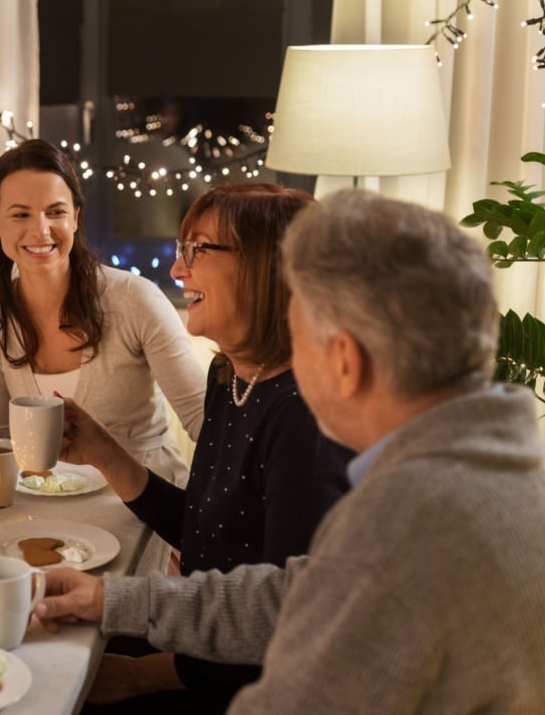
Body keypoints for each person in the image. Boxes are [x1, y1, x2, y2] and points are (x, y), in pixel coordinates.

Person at [35, 189, 545, 713]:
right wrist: (112, 600)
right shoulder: (487, 467)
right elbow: (295, 593)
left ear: (345, 360)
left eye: (301, 338)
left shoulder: (403, 526)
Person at [58, 183, 353, 711]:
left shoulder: (305, 416)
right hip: (197, 642)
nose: (177, 271)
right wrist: (102, 451)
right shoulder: (231, 374)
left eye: (198, 251)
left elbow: (285, 621)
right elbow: (208, 529)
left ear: (269, 265)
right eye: (180, 250)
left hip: (239, 686)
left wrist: (139, 676)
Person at [0, 139, 205, 487]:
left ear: (75, 217)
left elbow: (201, 418)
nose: (40, 230)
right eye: (20, 214)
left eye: (55, 212)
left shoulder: (135, 299)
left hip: (150, 509)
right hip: (44, 503)